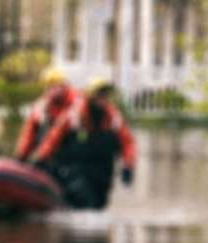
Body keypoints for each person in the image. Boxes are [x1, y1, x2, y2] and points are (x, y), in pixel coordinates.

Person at [31, 77, 136, 209]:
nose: (103, 99)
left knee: (98, 207)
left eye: (105, 95)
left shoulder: (113, 118)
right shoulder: (73, 116)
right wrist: (41, 159)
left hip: (103, 173)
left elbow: (128, 142)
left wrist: (128, 166)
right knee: (84, 202)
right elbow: (53, 139)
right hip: (76, 171)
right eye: (100, 95)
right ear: (91, 97)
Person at [15, 66, 82, 163]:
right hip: (51, 154)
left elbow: (59, 129)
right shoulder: (42, 104)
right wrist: (21, 155)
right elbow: (29, 131)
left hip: (71, 154)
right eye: (49, 86)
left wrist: (41, 156)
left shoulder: (76, 102)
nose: (52, 90)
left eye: (55, 86)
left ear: (64, 85)